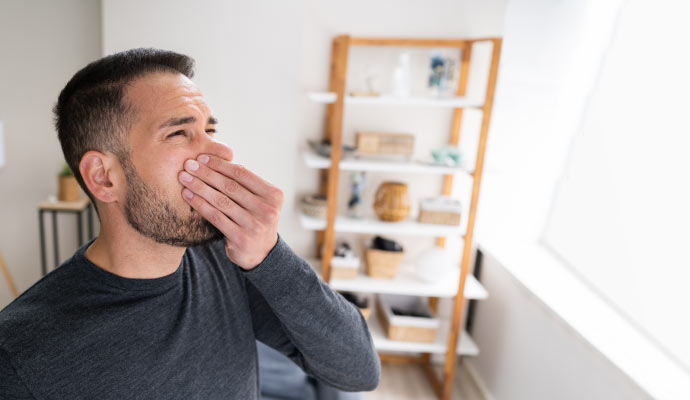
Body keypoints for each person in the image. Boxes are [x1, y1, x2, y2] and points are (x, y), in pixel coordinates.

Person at [0, 48, 380, 399]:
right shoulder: (21, 355)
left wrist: (269, 255)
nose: (221, 151)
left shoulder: (228, 260)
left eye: (210, 130)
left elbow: (359, 371)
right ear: (103, 177)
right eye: (179, 133)